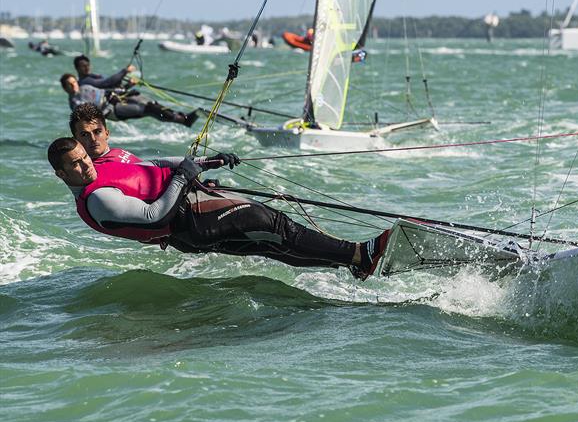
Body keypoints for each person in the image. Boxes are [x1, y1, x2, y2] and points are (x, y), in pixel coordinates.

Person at [47, 118, 390, 280]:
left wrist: (204, 164)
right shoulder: (97, 200)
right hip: (189, 218)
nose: (86, 164)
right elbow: (154, 216)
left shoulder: (106, 162)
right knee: (272, 223)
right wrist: (184, 177)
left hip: (193, 211)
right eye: (76, 164)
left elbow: (151, 166)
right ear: (62, 174)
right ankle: (361, 253)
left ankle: (350, 262)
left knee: (270, 245)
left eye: (85, 156)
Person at [62, 68, 198, 127]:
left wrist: (126, 86)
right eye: (70, 85)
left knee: (152, 103)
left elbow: (108, 90)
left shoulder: (85, 87)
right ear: (65, 88)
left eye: (74, 82)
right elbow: (96, 117)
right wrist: (110, 104)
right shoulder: (76, 103)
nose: (74, 86)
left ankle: (180, 116)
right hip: (113, 111)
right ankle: (183, 120)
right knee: (149, 109)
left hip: (117, 99)